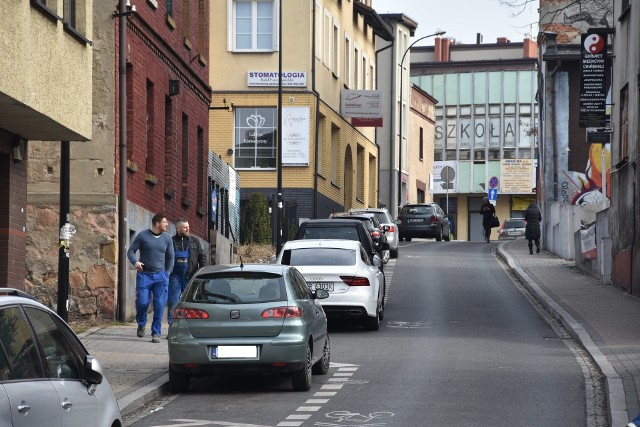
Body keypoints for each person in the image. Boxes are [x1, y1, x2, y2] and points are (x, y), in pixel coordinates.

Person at [127, 213, 174, 343]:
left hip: (161, 276)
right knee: (142, 302)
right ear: (157, 224)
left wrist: (167, 273)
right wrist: (135, 262)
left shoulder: (167, 238)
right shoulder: (142, 236)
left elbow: (171, 257)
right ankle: (141, 322)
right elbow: (130, 251)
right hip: (144, 275)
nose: (167, 224)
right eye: (165, 222)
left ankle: (156, 333)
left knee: (159, 305)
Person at [167, 218, 207, 325]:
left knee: (191, 303)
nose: (188, 229)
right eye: (185, 227)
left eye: (188, 227)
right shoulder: (170, 241)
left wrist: (201, 272)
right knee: (173, 303)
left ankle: (190, 327)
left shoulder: (195, 241)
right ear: (178, 228)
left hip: (190, 276)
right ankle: (172, 327)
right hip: (174, 276)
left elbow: (202, 257)